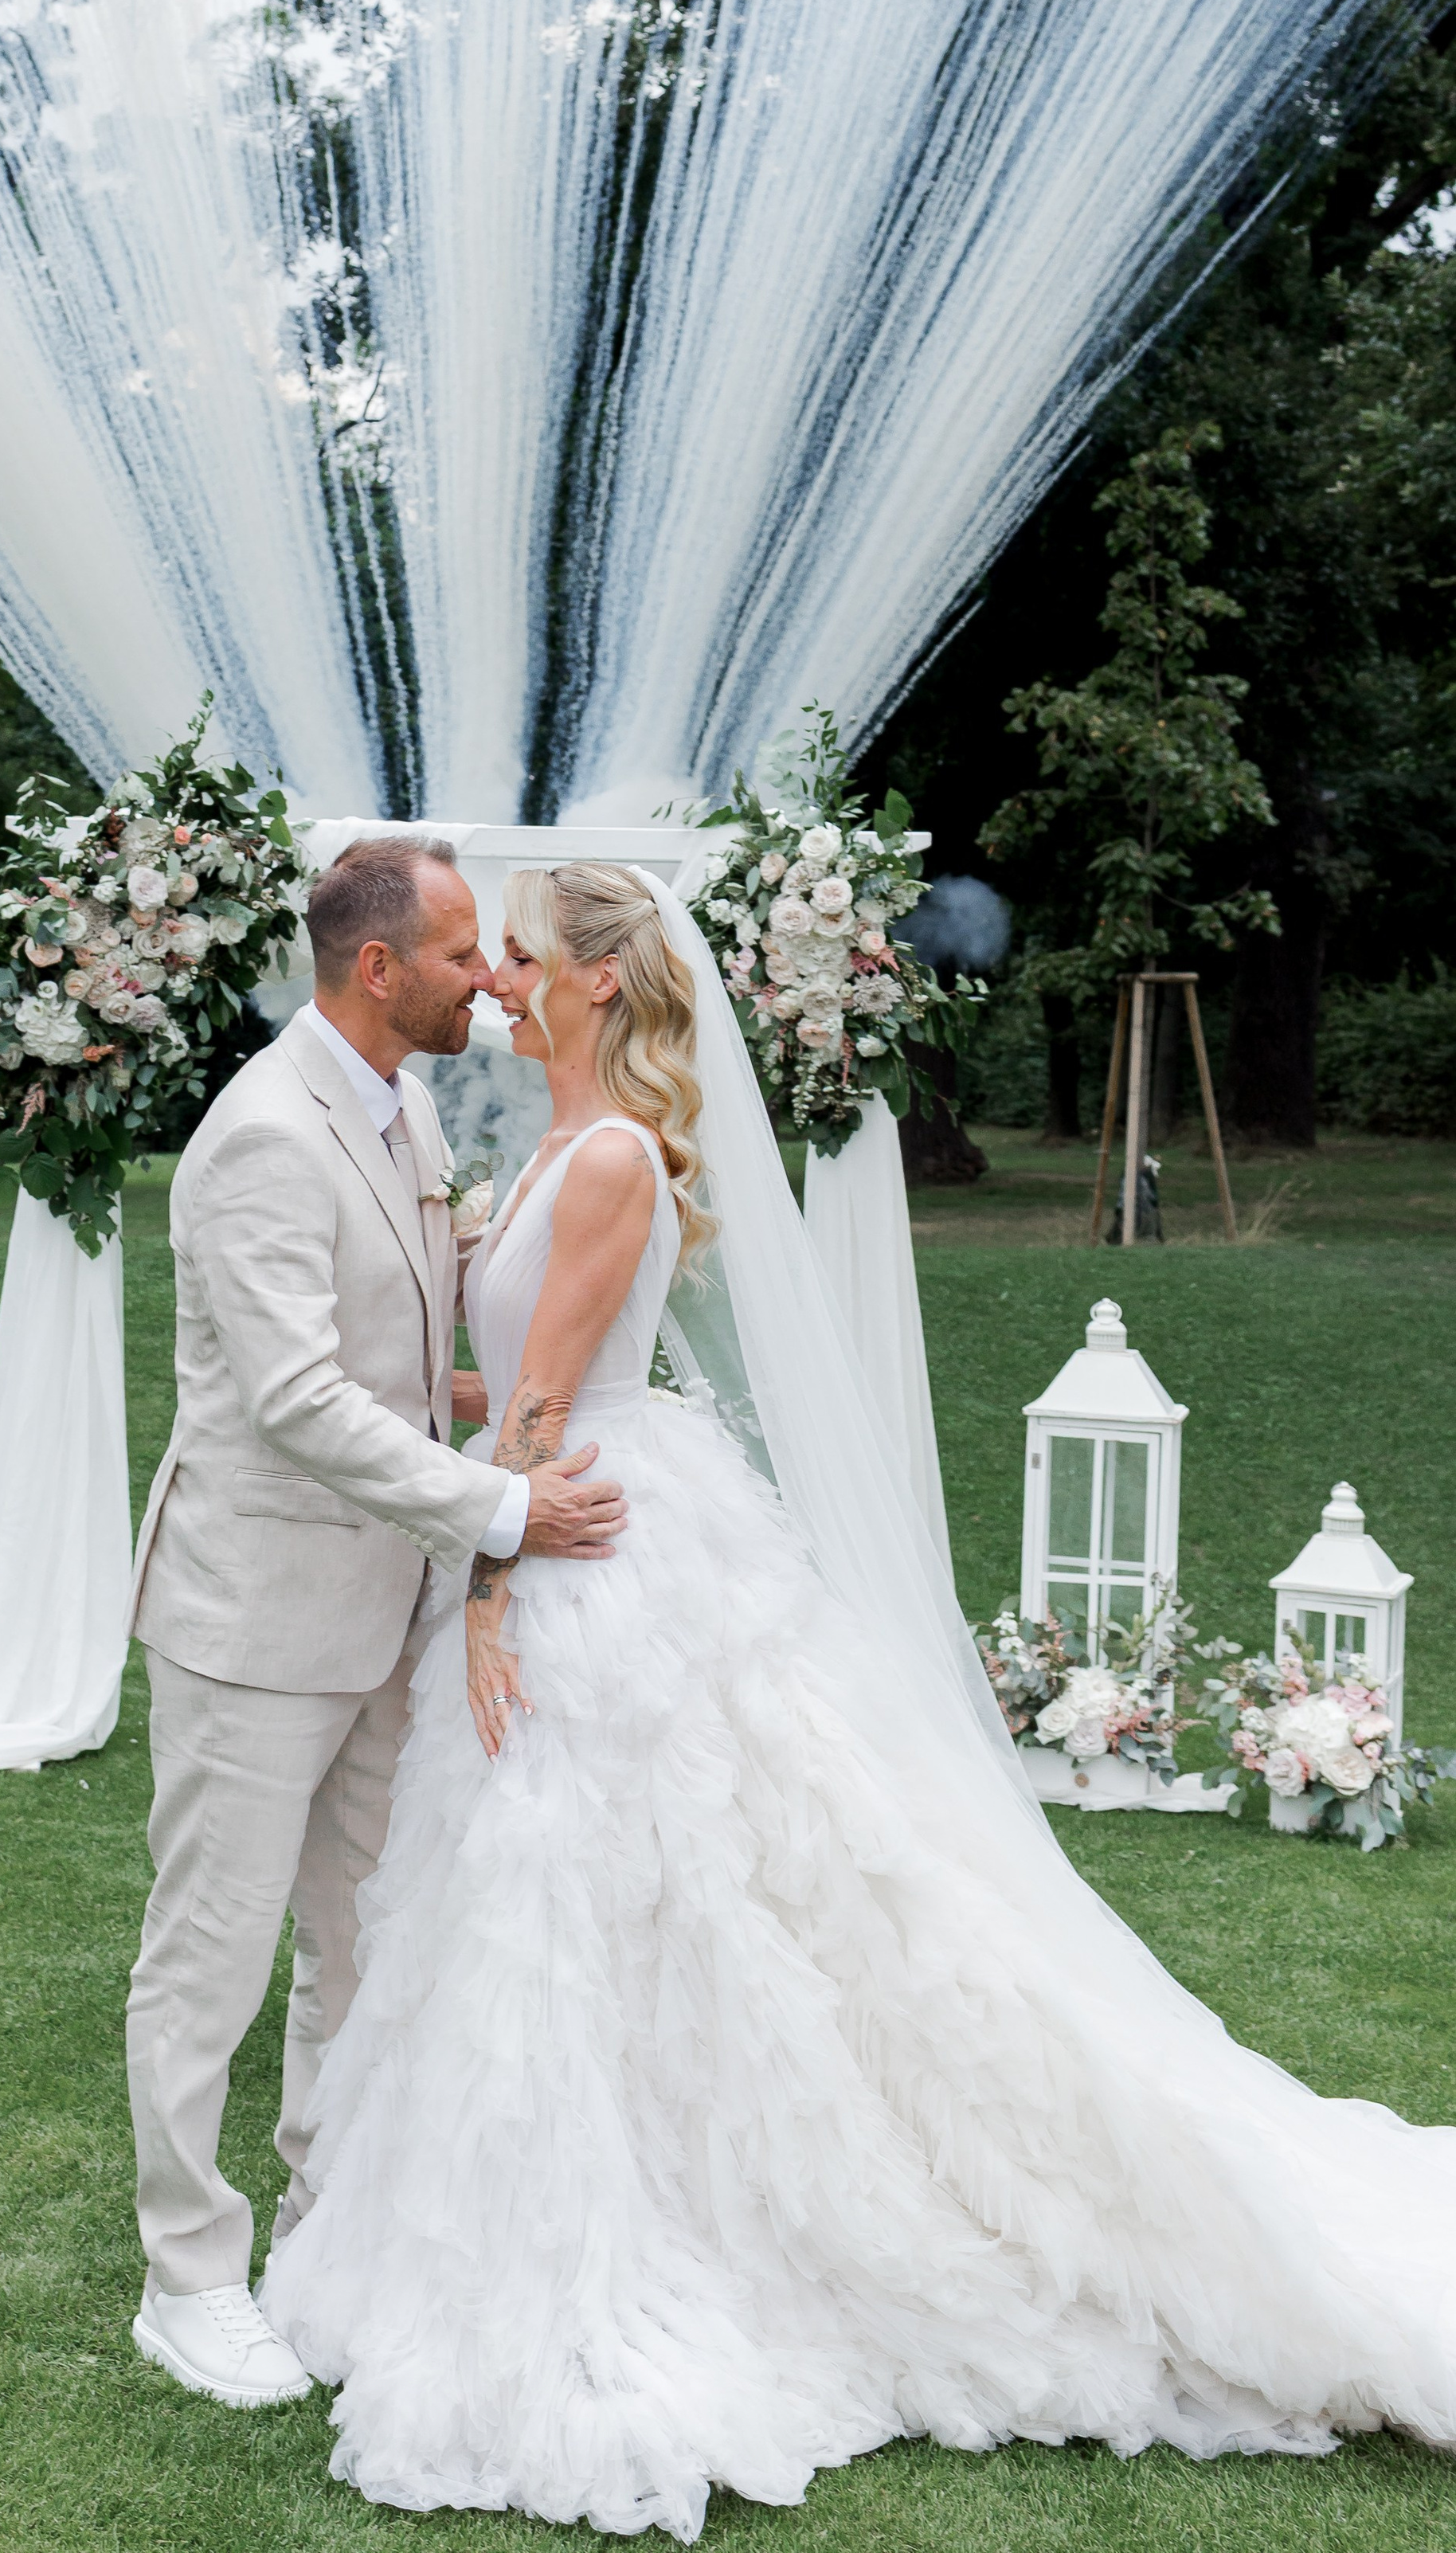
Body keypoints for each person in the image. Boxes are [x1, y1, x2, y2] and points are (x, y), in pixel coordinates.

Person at [260, 860, 1456, 2541]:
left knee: (625, 1885)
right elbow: (510, 1377)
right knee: (595, 1911)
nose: (500, 977)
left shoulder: (605, 1156)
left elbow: (538, 1412)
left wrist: (484, 1590)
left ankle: (668, 2236)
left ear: (598, 984)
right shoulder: (543, 1151)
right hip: (580, 1506)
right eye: (489, 954)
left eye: (520, 954)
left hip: (591, 1548)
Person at [125, 836, 628, 2407]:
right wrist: (500, 1509)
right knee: (210, 1953)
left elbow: (409, 1350)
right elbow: (289, 1399)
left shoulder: (399, 1105)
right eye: (463, 953)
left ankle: (322, 2229)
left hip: (381, 1609)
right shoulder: (262, 1138)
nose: (486, 978)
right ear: (375, 970)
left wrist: (548, 1361)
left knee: (357, 1940)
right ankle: (185, 2278)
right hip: (256, 1613)